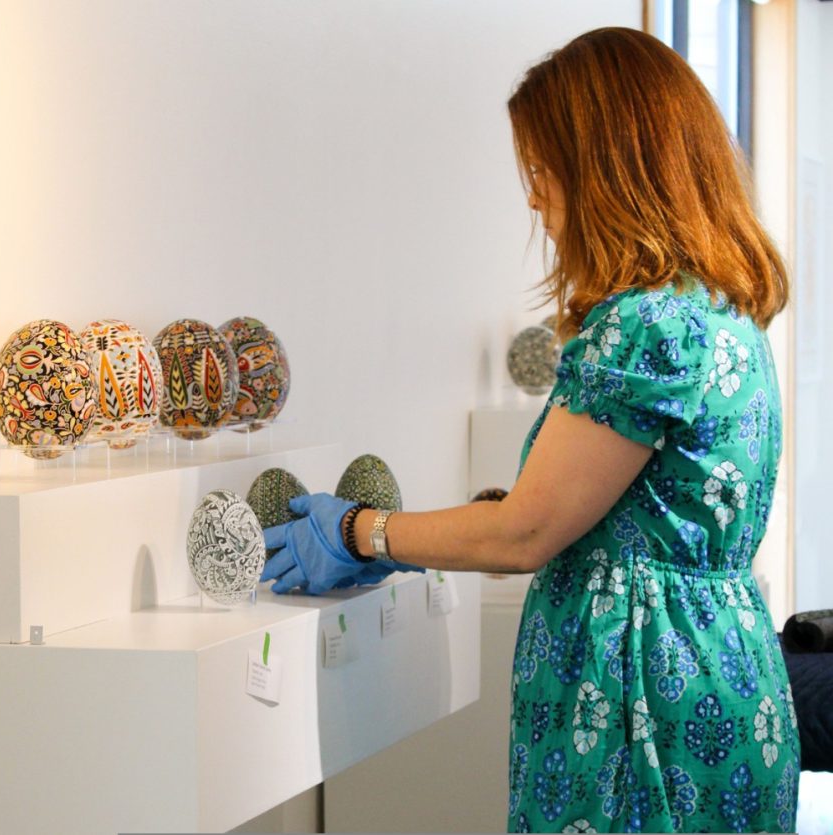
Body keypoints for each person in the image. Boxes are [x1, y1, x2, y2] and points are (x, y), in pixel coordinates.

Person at [262, 26, 800, 834]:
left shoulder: (645, 326)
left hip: (638, 704)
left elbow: (525, 535)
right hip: (721, 672)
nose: (534, 197)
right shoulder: (721, 312)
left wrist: (358, 529)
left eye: (543, 170)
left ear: (608, 172)